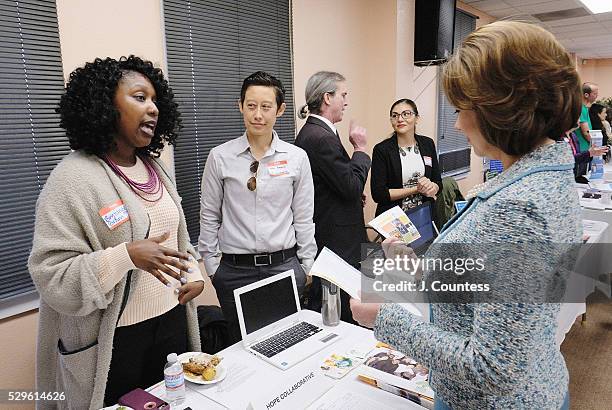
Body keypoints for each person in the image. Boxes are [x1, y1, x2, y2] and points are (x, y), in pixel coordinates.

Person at [350, 21, 581, 409]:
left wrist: (385, 318)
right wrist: (426, 271)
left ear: (501, 108)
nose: (457, 123)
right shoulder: (544, 173)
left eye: (462, 109)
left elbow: (494, 368)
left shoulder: (518, 208)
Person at [28, 56, 205, 409]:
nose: (152, 109)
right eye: (140, 98)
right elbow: (51, 275)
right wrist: (126, 256)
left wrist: (193, 273)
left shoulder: (155, 167)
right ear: (105, 104)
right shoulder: (72, 178)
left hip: (171, 321)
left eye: (156, 100)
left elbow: (174, 237)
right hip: (115, 342)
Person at [199, 71, 316, 343]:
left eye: (266, 107)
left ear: (280, 109)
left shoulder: (296, 158)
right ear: (240, 105)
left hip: (284, 267)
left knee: (286, 343)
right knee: (241, 350)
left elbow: (304, 216)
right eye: (251, 106)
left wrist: (306, 266)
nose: (258, 115)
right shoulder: (220, 157)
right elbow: (209, 215)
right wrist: (213, 267)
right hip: (234, 271)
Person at [295, 71, 370, 323]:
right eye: (343, 95)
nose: (346, 102)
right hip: (338, 243)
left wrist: (351, 196)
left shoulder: (317, 132)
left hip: (334, 236)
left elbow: (333, 184)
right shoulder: (320, 137)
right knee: (339, 313)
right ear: (327, 98)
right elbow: (350, 185)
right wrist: (360, 149)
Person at [370, 98, 441, 217]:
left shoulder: (428, 144)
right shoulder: (382, 150)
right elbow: (379, 194)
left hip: (425, 214)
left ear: (417, 118)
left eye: (406, 114)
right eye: (395, 115)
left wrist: (433, 187)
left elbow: (438, 181)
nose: (400, 119)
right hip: (394, 218)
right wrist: (416, 189)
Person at [575, 82, 599, 151]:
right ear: (586, 95)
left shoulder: (584, 108)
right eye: (595, 94)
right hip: (582, 148)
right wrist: (596, 145)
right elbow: (586, 133)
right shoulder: (581, 108)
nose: (597, 96)